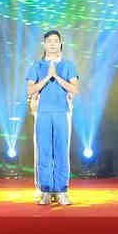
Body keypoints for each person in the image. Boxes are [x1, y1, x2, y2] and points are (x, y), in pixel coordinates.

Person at [26, 30, 80, 206]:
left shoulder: (68, 65)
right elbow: (30, 90)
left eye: (56, 41)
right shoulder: (37, 66)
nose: (53, 44)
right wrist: (47, 76)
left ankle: (62, 190)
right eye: (49, 41)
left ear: (61, 43)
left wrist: (56, 76)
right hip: (43, 113)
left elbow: (74, 89)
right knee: (44, 152)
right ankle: (45, 191)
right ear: (44, 44)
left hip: (62, 113)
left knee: (61, 151)